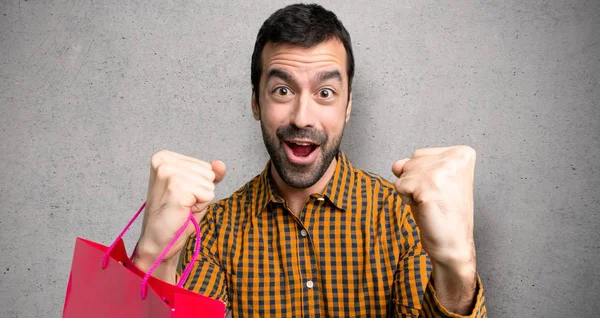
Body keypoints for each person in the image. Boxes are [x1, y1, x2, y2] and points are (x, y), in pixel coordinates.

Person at [132, 3, 486, 317]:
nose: (303, 117)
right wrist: (154, 258)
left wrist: (456, 268)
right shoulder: (212, 233)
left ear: (348, 107)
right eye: (282, 91)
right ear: (256, 102)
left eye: (325, 93)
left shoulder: (406, 218)